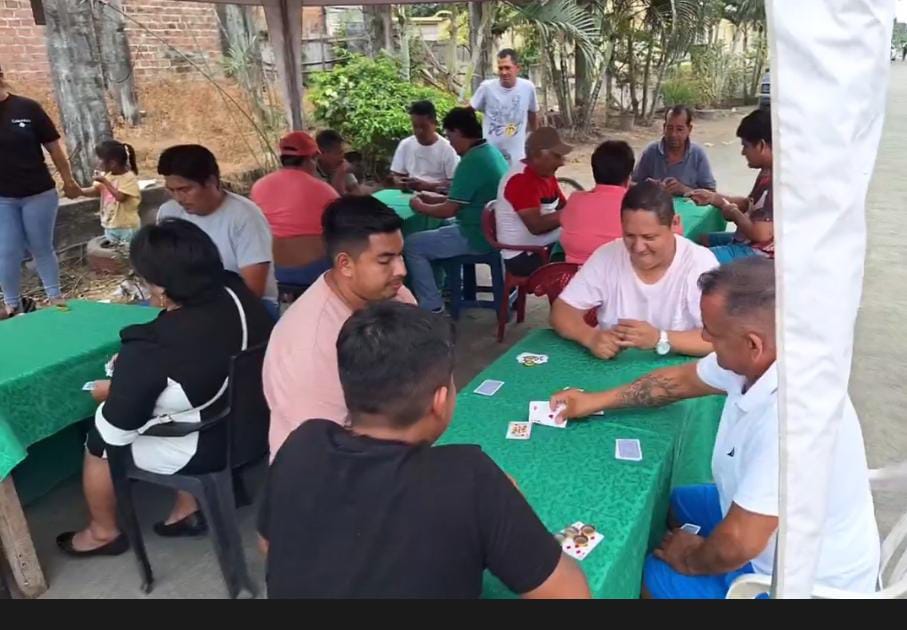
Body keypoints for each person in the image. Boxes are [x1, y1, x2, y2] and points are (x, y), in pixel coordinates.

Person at [550, 258, 880, 598]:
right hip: (768, 529)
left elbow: (738, 543)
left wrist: (689, 558)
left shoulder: (792, 422)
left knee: (649, 576)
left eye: (713, 332)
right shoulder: (766, 358)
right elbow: (677, 382)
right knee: (671, 504)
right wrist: (595, 401)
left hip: (800, 584)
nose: (704, 337)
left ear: (753, 345)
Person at [259, 300, 591, 599]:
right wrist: (504, 508)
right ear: (440, 401)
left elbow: (268, 544)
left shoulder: (302, 443)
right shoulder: (470, 478)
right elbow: (571, 595)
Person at [56, 219, 274, 556]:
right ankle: (187, 508)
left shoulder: (153, 345)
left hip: (212, 444)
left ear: (159, 287)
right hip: (257, 425)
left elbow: (118, 430)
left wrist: (111, 392)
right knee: (186, 401)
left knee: (99, 438)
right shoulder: (237, 292)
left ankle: (102, 532)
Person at [264, 195, 417, 456]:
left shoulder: (396, 296)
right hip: (326, 466)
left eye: (400, 256)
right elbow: (324, 448)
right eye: (385, 260)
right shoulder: (310, 345)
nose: (401, 270)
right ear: (345, 264)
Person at [551, 181, 717, 358]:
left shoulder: (700, 263)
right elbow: (562, 310)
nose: (638, 248)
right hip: (613, 366)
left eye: (649, 237)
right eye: (629, 235)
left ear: (675, 223)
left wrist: (660, 338)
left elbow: (722, 338)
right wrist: (589, 336)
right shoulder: (607, 255)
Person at [404, 107, 508, 313]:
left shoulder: (471, 161)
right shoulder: (489, 152)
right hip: (492, 229)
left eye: (450, 136)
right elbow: (463, 197)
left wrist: (420, 206)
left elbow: (449, 209)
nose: (450, 142)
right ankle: (453, 287)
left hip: (476, 235)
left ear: (458, 132)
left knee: (412, 244)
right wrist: (433, 196)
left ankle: (432, 305)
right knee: (438, 229)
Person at [156, 144, 279, 317]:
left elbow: (252, 291)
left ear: (211, 181)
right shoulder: (169, 213)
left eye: (185, 189)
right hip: (188, 303)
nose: (178, 198)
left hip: (246, 306)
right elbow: (161, 267)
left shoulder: (245, 217)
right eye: (171, 190)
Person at [0, 64, 80, 318]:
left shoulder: (27, 108)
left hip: (38, 193)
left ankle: (54, 297)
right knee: (7, 250)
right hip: (3, 198)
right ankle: (12, 304)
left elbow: (54, 148)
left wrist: (68, 180)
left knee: (41, 246)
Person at [251, 131, 337, 288]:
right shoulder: (325, 190)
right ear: (311, 158)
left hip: (272, 270)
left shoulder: (258, 186)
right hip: (314, 271)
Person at [690, 108, 773, 263]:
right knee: (701, 239)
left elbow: (760, 234)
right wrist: (714, 198)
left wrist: (734, 214)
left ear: (761, 145)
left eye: (746, 146)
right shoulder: (766, 172)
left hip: (760, 254)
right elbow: (749, 204)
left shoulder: (776, 184)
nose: (743, 152)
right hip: (747, 240)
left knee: (695, 259)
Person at [494, 127, 571, 276]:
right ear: (536, 155)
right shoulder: (521, 180)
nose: (561, 162)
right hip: (524, 256)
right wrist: (572, 212)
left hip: (543, 246)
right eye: (556, 156)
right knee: (581, 259)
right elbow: (536, 226)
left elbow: (563, 206)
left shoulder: (545, 175)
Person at [560, 140, 635, 265]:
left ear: (594, 172)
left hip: (573, 275)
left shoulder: (575, 200)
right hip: (615, 275)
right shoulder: (635, 206)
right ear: (629, 175)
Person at [469, 49, 539, 165]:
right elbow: (469, 110)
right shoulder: (486, 88)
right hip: (491, 156)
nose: (504, 72)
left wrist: (536, 140)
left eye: (507, 68)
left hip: (517, 156)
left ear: (517, 68)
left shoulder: (528, 88)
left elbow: (532, 113)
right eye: (500, 68)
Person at [633, 106, 716, 196]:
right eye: (669, 128)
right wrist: (647, 187)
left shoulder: (697, 154)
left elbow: (711, 193)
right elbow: (631, 184)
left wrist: (685, 190)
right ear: (664, 127)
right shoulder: (651, 151)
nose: (673, 134)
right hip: (655, 204)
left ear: (689, 129)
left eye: (679, 129)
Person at [79, 140, 142, 245]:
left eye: (99, 158)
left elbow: (121, 197)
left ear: (112, 163)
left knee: (127, 253)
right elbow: (96, 190)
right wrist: (79, 191)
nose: (96, 161)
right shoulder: (107, 175)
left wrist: (105, 182)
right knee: (113, 253)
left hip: (127, 227)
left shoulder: (129, 178)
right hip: (110, 225)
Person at [390, 100, 459, 193]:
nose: (419, 131)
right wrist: (401, 182)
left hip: (437, 197)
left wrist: (427, 186)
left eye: (423, 127)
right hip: (410, 196)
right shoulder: (405, 145)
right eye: (415, 126)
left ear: (434, 123)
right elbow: (397, 174)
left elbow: (454, 184)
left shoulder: (448, 148)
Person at [315, 129, 362, 196]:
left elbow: (358, 193)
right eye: (338, 153)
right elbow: (332, 198)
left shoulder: (341, 165)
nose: (342, 156)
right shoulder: (312, 172)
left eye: (342, 152)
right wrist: (339, 175)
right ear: (322, 153)